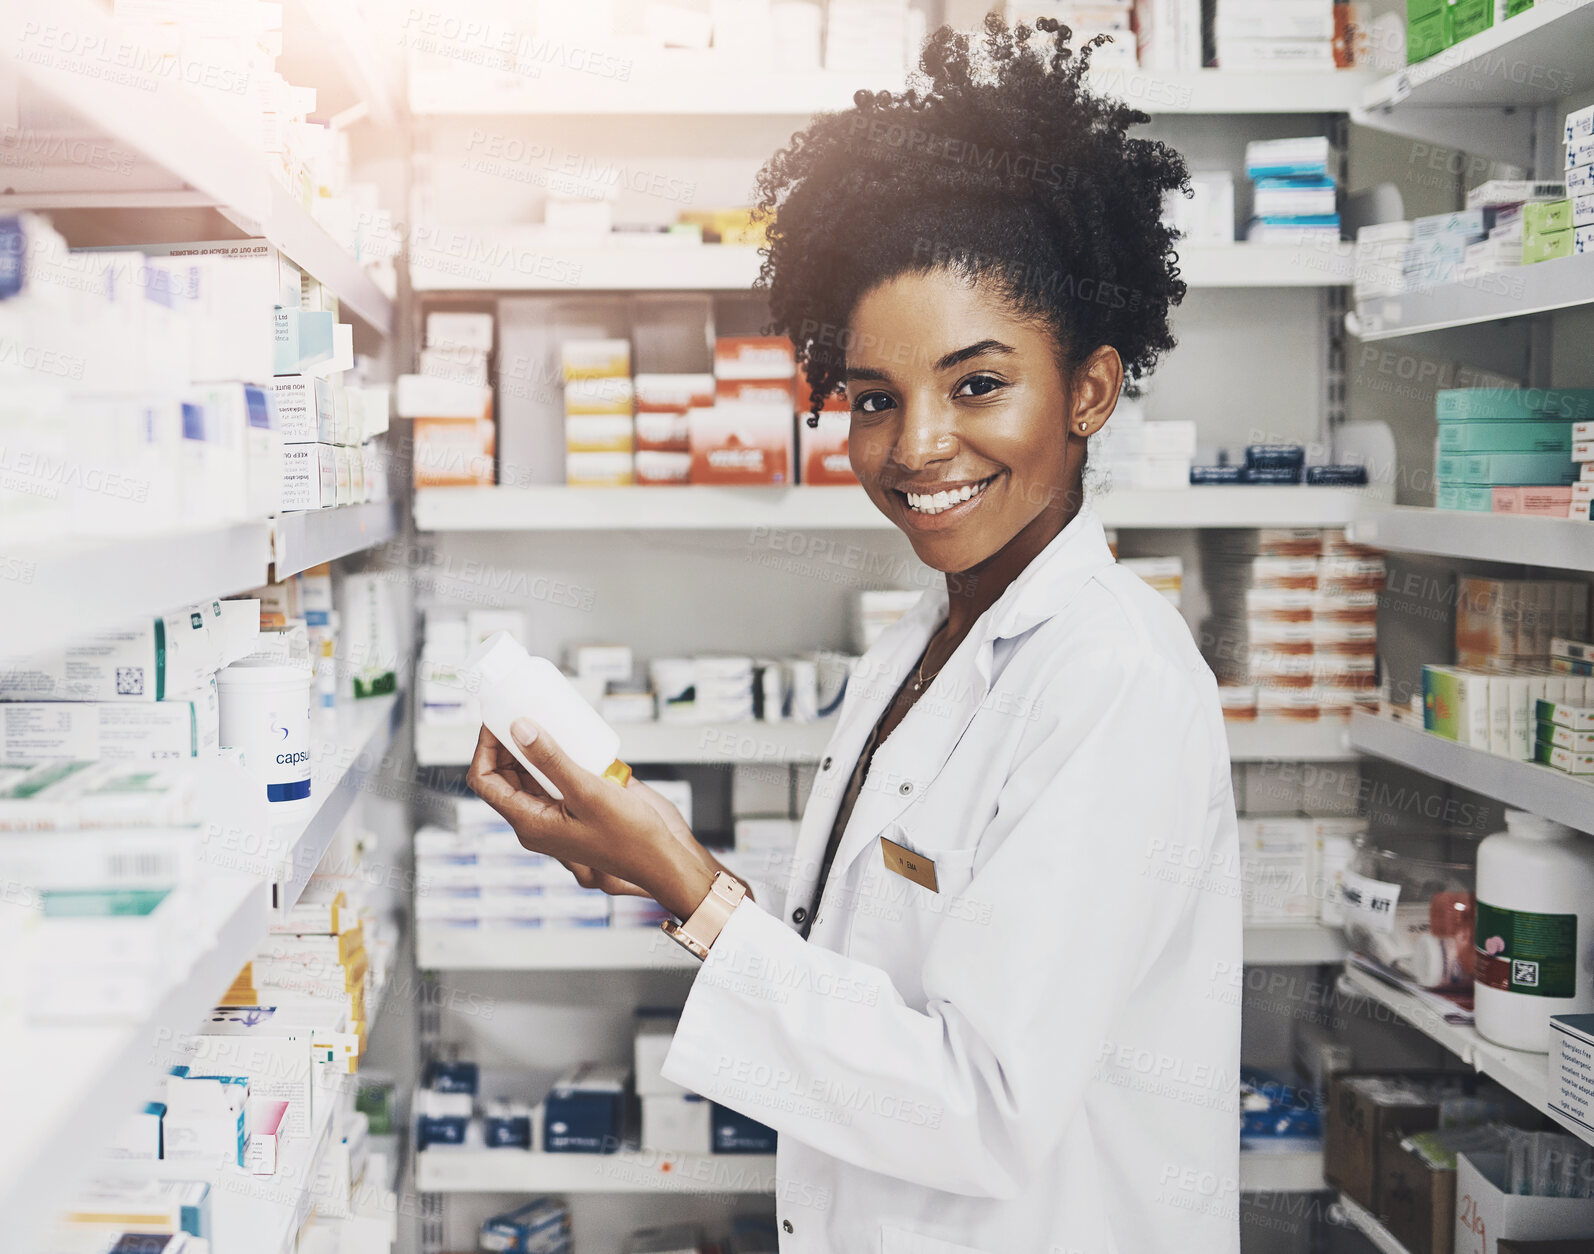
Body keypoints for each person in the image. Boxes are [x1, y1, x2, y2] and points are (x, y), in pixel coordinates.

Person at [468, 17, 1241, 1252]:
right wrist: (653, 871)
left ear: (1090, 389)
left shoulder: (1115, 684)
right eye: (875, 400)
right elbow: (880, 972)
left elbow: (981, 1105)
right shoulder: (919, 648)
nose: (917, 444)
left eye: (977, 384)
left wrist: (690, 882)